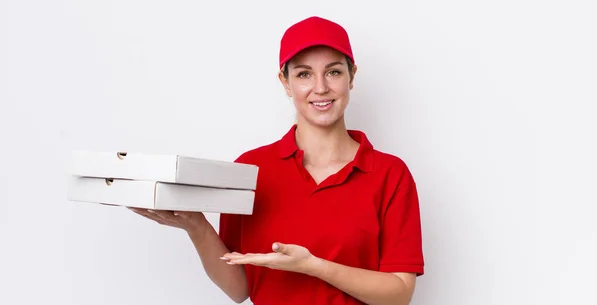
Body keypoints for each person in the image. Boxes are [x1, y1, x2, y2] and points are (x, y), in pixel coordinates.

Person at [130, 16, 424, 305]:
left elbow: (398, 295)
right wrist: (196, 225)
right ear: (285, 82)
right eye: (304, 74)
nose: (320, 87)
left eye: (333, 72)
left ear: (352, 77)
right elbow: (239, 288)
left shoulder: (389, 174)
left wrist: (313, 266)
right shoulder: (250, 169)